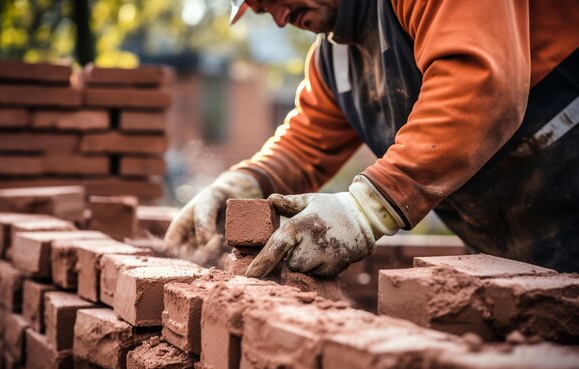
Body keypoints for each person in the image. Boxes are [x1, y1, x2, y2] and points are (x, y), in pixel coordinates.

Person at [163, 0, 579, 276]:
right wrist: (245, 182)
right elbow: (306, 141)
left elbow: (482, 85)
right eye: (261, 9)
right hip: (514, 264)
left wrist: (367, 207)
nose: (278, 17)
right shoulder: (336, 57)